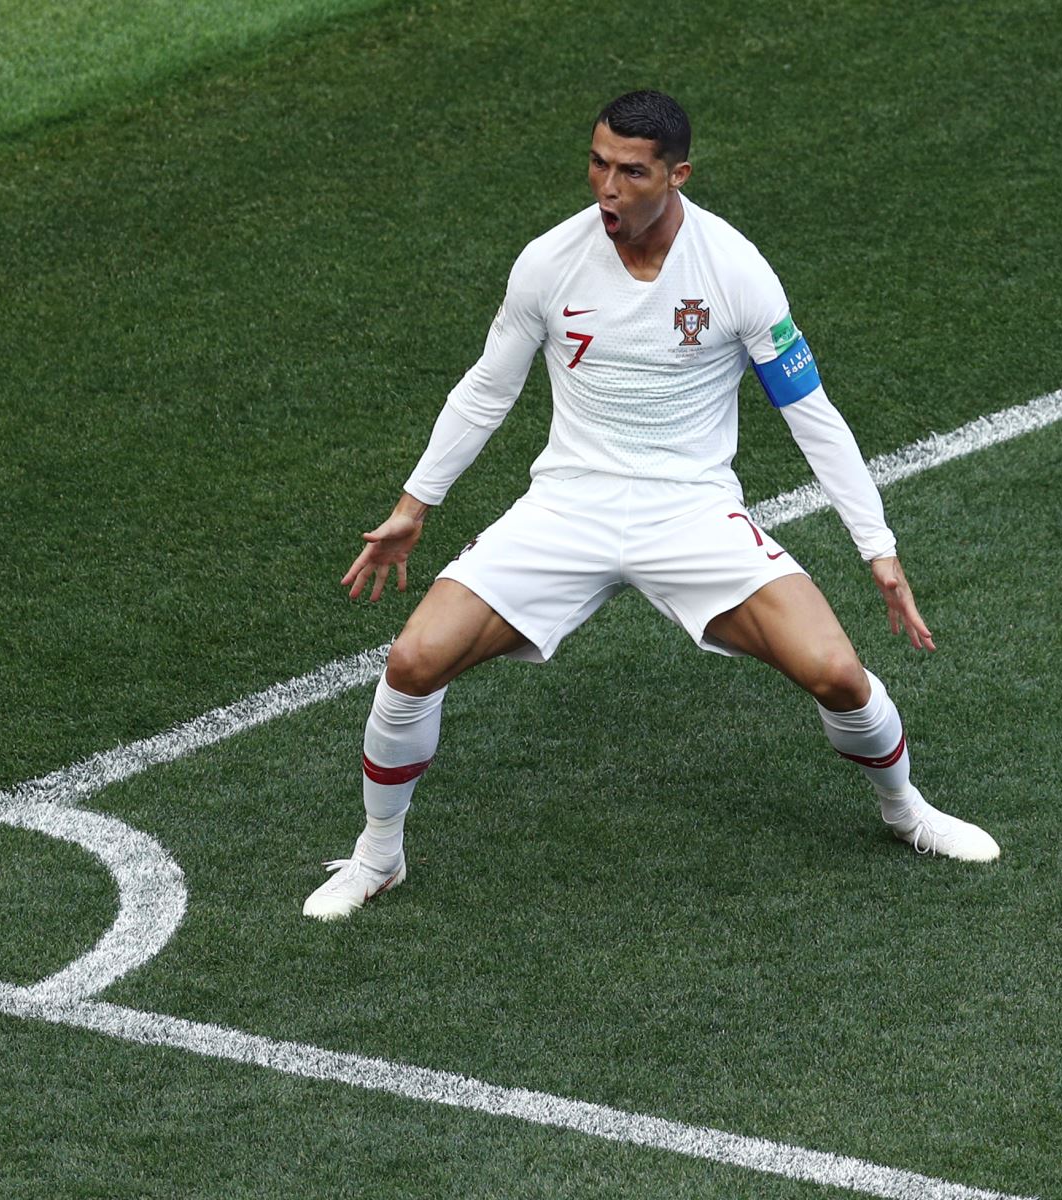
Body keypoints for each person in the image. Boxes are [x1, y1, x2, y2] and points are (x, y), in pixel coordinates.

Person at [304, 90, 1000, 922]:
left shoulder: (734, 269)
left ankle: (905, 811)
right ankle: (380, 856)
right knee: (414, 662)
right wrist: (416, 505)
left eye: (632, 172)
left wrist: (876, 550)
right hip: (568, 508)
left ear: (677, 174)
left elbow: (809, 410)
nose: (608, 187)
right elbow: (488, 388)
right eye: (598, 163)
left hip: (692, 513)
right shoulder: (549, 262)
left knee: (838, 674)